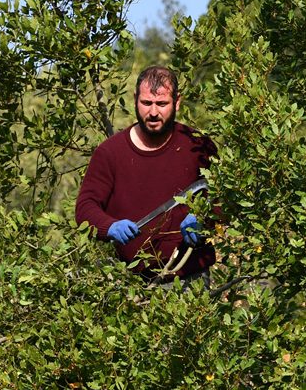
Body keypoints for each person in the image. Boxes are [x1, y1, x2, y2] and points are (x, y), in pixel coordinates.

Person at [76, 65, 216, 285]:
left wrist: (205, 219)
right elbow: (85, 208)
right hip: (130, 283)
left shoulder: (198, 146)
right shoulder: (109, 153)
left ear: (177, 102)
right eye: (146, 103)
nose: (153, 112)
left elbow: (225, 198)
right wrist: (110, 227)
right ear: (135, 99)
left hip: (191, 282)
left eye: (162, 104)